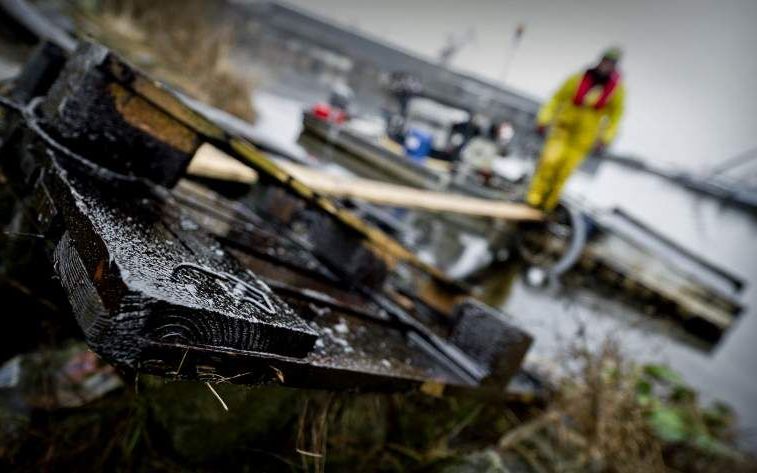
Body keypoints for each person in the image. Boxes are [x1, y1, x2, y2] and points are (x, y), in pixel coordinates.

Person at [527, 47, 626, 211]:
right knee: (549, 162)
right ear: (600, 61)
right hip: (562, 130)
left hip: (583, 139)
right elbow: (557, 98)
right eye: (605, 61)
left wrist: (605, 138)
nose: (606, 66)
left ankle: (547, 207)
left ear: (614, 67)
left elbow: (615, 117)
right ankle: (533, 201)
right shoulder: (578, 79)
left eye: (610, 63)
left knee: (564, 172)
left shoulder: (617, 91)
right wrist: (544, 118)